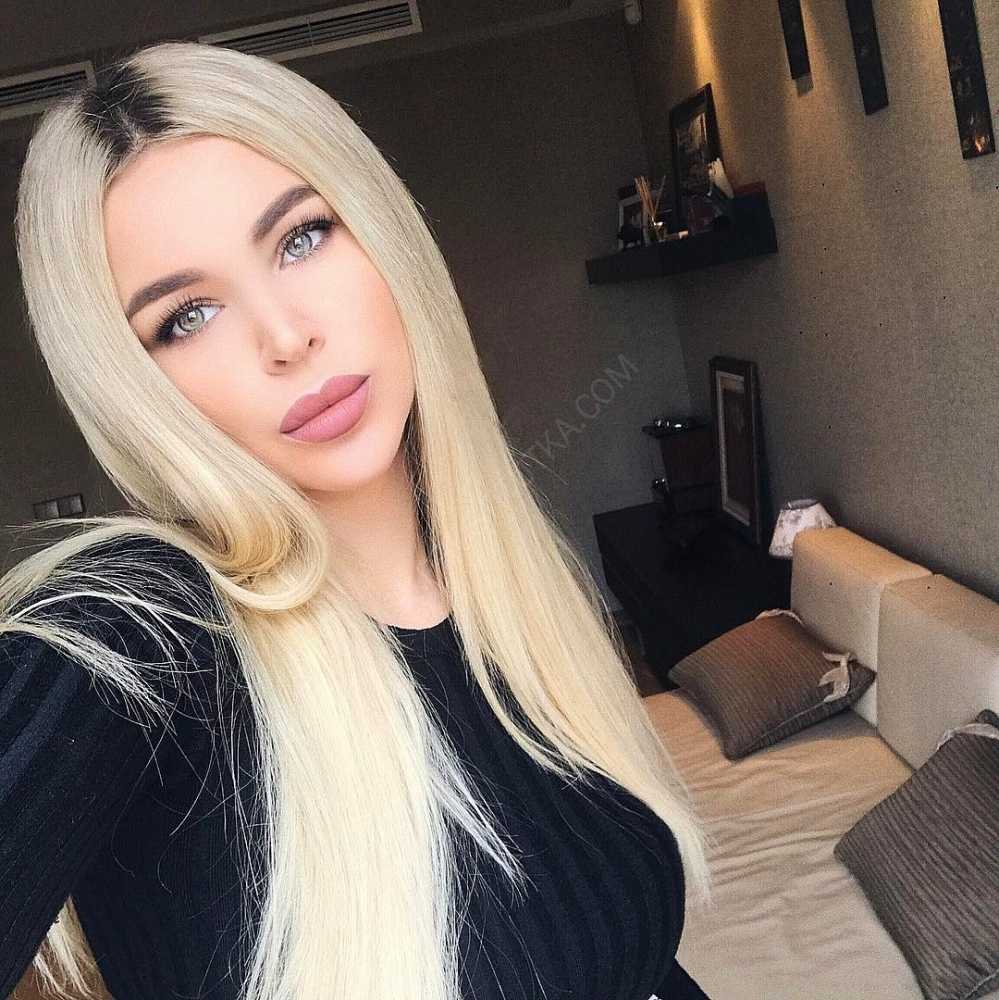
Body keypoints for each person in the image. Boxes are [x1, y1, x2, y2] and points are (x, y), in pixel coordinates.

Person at [0, 40, 713, 1000]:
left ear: (383, 236)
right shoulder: (142, 627)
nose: (286, 337)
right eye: (186, 318)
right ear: (130, 386)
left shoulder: (508, 595)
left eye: (301, 239)